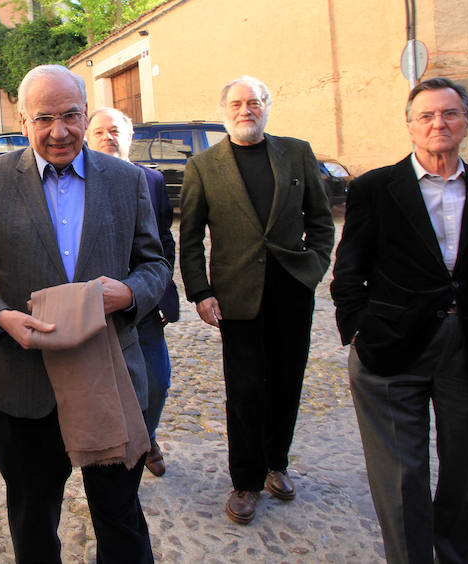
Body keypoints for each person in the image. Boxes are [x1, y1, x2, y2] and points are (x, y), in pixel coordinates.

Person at [0, 64, 169, 563]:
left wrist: (128, 294)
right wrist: (1, 319)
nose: (59, 131)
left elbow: (155, 263)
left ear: (85, 115)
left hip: (108, 377)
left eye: (70, 116)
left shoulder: (127, 180)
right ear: (23, 121)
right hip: (23, 384)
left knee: (119, 516)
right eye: (44, 119)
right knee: (32, 518)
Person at [331, 77, 468, 564]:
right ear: (410, 126)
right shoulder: (378, 188)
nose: (438, 123)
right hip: (391, 347)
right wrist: (358, 329)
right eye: (427, 116)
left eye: (449, 114)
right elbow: (349, 268)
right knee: (401, 479)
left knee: (466, 476)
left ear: (465, 121)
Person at [179, 75, 334, 525]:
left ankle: (276, 465)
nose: (246, 109)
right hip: (236, 294)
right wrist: (201, 292)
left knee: (287, 381)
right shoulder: (204, 167)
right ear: (224, 110)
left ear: (267, 106)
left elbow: (322, 221)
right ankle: (244, 481)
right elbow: (189, 238)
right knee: (245, 390)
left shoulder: (297, 153)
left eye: (255, 101)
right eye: (238, 103)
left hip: (291, 288)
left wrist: (314, 266)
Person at [86, 107, 179, 477]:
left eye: (116, 131)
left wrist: (157, 296)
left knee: (157, 380)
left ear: (129, 138)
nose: (109, 137)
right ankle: (109, 447)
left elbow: (164, 244)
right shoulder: (80, 182)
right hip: (94, 306)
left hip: (142, 304)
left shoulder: (152, 181)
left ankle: (148, 435)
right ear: (88, 139)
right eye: (100, 132)